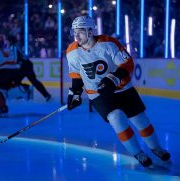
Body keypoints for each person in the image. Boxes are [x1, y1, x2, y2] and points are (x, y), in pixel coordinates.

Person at [66, 15, 170, 167]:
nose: (76, 36)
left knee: (140, 119)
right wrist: (74, 94)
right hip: (98, 94)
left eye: (80, 31)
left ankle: (156, 148)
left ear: (90, 32)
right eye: (74, 32)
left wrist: (112, 79)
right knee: (116, 118)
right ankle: (138, 153)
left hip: (123, 89)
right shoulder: (71, 51)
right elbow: (76, 75)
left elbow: (128, 64)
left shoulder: (108, 43)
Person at [7, 35, 51, 102]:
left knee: (15, 81)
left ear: (10, 41)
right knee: (32, 81)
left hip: (25, 66)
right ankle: (46, 95)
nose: (6, 42)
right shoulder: (14, 46)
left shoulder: (13, 47)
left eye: (7, 41)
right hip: (26, 65)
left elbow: (15, 59)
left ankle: (27, 90)